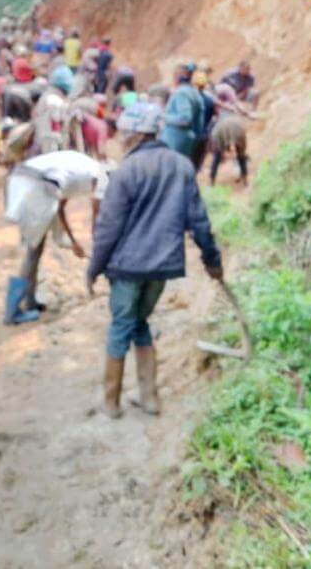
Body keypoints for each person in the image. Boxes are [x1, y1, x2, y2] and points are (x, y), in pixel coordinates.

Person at [87, 103, 223, 418]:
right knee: (140, 322)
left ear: (135, 135)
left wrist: (94, 268)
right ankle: (149, 398)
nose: (120, 139)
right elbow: (199, 221)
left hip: (127, 267)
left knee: (121, 325)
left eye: (123, 133)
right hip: (162, 267)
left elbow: (108, 228)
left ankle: (111, 402)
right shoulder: (181, 166)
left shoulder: (125, 172)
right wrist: (212, 259)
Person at [3, 150, 108, 325]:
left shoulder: (86, 169)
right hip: (36, 185)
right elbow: (96, 221)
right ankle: (12, 312)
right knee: (33, 250)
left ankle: (30, 303)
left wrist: (74, 243)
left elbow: (59, 207)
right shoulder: (100, 178)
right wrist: (97, 253)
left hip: (25, 180)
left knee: (37, 247)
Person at [160, 63, 205, 160]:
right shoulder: (195, 93)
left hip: (175, 140)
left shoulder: (181, 93)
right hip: (187, 140)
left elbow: (185, 119)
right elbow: (200, 123)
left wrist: (163, 117)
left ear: (177, 77)